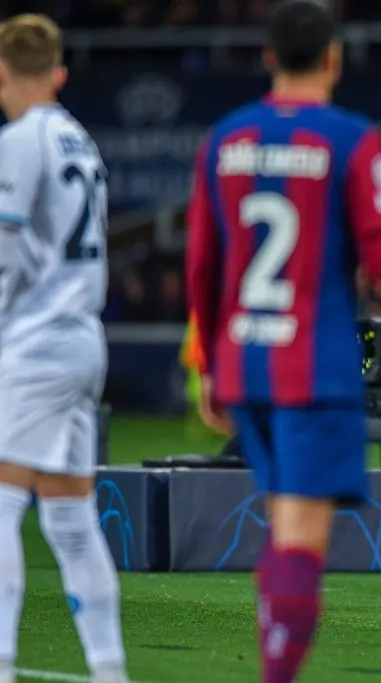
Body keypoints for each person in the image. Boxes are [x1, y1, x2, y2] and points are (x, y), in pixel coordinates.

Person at [185, 2, 381, 681]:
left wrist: (207, 365)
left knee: (284, 526)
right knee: (301, 541)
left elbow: (201, 264)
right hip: (314, 367)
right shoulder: (351, 139)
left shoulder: (224, 139)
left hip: (244, 360)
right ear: (334, 57)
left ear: (268, 56)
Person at [0, 14, 129, 683]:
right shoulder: (80, 140)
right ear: (57, 70)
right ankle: (109, 670)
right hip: (82, 339)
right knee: (71, 518)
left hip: (35, 341)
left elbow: (7, 250)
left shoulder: (21, 142)